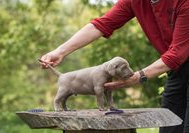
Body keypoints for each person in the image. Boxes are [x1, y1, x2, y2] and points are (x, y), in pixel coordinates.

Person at [40, 0, 189, 133]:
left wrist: (139, 77)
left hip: (177, 61)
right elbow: (102, 24)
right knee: (171, 123)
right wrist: (60, 51)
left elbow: (176, 54)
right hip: (177, 70)